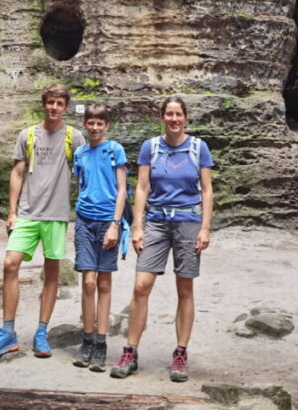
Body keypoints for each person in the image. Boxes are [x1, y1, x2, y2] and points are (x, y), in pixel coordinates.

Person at [110, 96, 214, 383]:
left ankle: (180, 353)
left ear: (185, 117)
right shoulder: (151, 147)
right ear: (162, 117)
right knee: (141, 286)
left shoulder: (198, 147)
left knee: (185, 287)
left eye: (178, 114)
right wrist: (138, 226)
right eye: (169, 114)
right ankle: (130, 351)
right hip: (156, 221)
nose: (173, 119)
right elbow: (142, 188)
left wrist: (205, 228)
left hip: (188, 222)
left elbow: (207, 190)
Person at [0, 83, 85, 359]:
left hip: (56, 215)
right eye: (50, 102)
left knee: (51, 274)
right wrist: (12, 211)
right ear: (44, 104)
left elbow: (85, 171)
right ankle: (7, 332)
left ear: (65, 107)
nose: (54, 108)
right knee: (10, 264)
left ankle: (41, 332)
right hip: (27, 213)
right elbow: (17, 173)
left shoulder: (74, 137)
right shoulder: (27, 135)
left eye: (59, 104)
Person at [71, 103, 129, 372]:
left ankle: (101, 344)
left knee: (104, 283)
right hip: (84, 220)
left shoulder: (114, 149)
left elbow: (121, 190)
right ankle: (87, 340)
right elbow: (81, 185)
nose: (95, 127)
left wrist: (115, 225)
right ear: (85, 124)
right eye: (90, 123)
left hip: (108, 222)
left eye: (100, 123)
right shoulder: (80, 152)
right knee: (88, 282)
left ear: (106, 125)